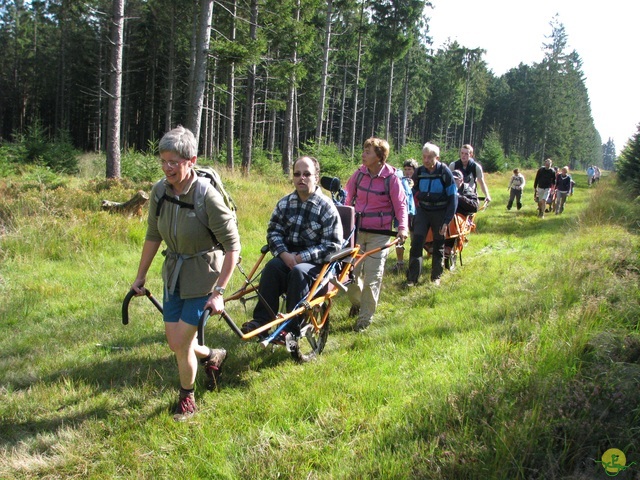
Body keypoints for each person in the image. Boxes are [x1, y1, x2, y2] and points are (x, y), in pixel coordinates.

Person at [131, 126, 240, 422]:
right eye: (163, 161)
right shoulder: (159, 191)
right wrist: (140, 276)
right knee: (176, 342)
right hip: (174, 275)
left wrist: (219, 293)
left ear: (191, 160)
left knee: (180, 344)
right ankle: (213, 355)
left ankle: (186, 398)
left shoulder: (206, 196)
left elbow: (233, 246)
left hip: (204, 277)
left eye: (174, 163)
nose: (167, 168)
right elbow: (153, 235)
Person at [240, 156, 343, 338]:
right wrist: (285, 254)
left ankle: (290, 328)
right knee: (272, 267)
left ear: (316, 177)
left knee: (299, 272)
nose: (301, 178)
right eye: (297, 174)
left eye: (306, 174)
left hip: (318, 264)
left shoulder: (326, 207)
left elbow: (333, 246)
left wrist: (301, 258)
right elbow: (273, 232)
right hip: (288, 258)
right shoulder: (284, 203)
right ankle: (262, 322)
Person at [345, 137, 409, 332]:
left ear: (380, 157)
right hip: (356, 232)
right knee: (349, 276)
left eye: (368, 151)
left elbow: (401, 205)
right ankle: (358, 303)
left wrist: (402, 228)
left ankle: (364, 319)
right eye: (364, 150)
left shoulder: (392, 179)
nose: (363, 154)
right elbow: (348, 196)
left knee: (373, 277)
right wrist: (343, 221)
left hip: (379, 234)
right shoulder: (359, 174)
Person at [406, 142, 457, 287]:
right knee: (417, 244)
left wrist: (447, 221)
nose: (426, 160)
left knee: (438, 244)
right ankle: (412, 278)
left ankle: (436, 277)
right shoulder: (420, 172)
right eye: (424, 157)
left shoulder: (444, 172)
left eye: (429, 157)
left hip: (440, 213)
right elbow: (412, 189)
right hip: (423, 211)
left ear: (437, 157)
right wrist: (422, 196)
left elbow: (453, 197)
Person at [390, 158, 418, 274]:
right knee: (399, 239)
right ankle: (400, 262)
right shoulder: (400, 181)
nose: (407, 172)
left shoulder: (418, 182)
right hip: (401, 214)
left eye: (410, 169)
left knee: (414, 238)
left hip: (414, 214)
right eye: (406, 169)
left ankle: (413, 262)